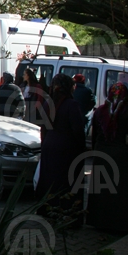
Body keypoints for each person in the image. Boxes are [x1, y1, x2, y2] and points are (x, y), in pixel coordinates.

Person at [87, 82, 128, 231]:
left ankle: (99, 220)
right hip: (122, 156)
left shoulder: (100, 111)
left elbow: (95, 134)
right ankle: (118, 223)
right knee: (119, 191)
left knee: (102, 190)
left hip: (102, 153)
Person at [36, 74, 86, 215]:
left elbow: (43, 128)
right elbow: (78, 130)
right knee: (65, 182)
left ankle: (48, 210)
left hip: (49, 145)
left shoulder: (48, 104)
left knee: (50, 180)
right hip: (66, 149)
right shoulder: (71, 105)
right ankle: (65, 213)